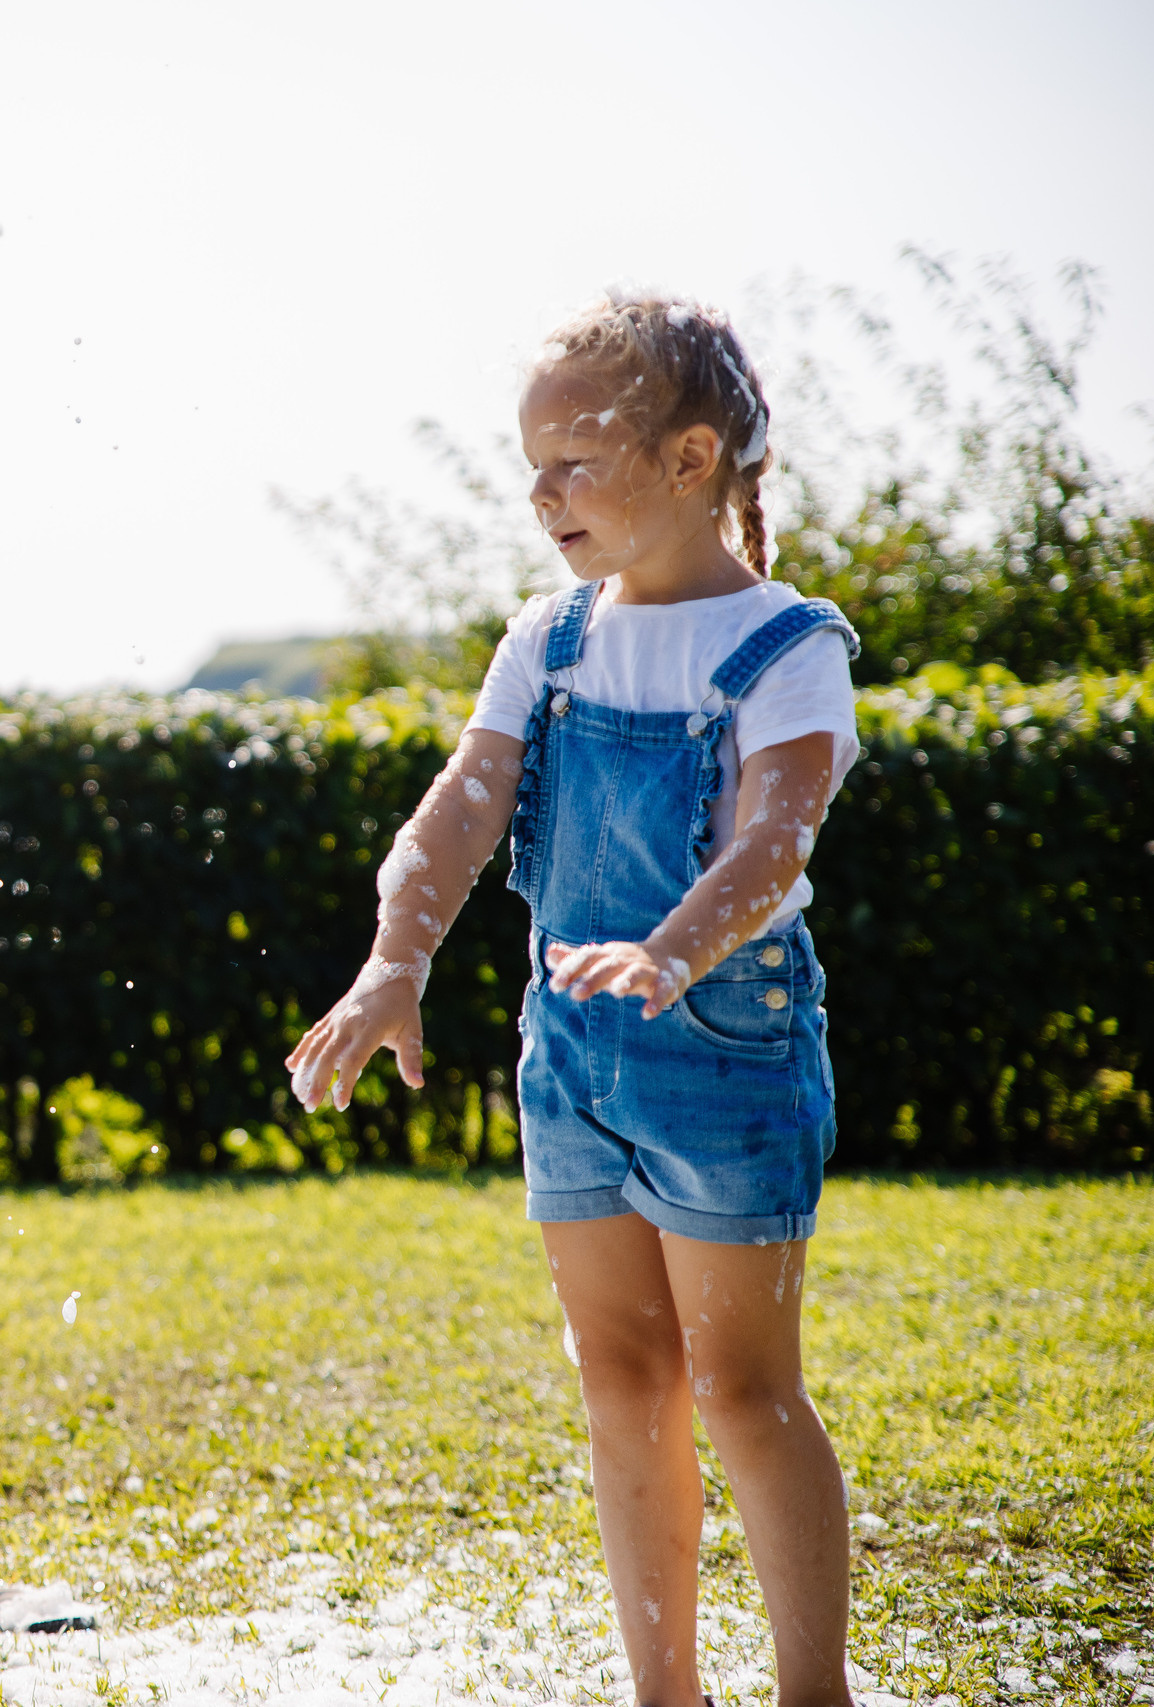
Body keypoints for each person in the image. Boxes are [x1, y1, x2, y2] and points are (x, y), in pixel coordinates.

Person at [287, 295, 862, 1707]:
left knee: (740, 1388)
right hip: (574, 1050)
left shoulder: (785, 641)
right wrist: (395, 957)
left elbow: (774, 836)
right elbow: (455, 815)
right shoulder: (547, 638)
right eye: (529, 464)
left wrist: (673, 949)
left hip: (725, 1043)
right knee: (618, 1369)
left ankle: (814, 1690)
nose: (539, 494)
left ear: (689, 457)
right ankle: (665, 1687)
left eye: (571, 462)